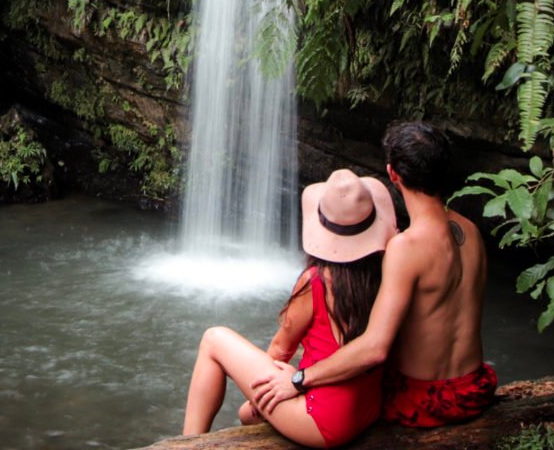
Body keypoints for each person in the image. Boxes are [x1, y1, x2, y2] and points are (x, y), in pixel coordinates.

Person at [252, 120, 497, 428]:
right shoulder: (471, 232)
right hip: (473, 389)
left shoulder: (405, 247)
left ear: (393, 174)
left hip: (422, 401)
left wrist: (300, 378)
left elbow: (375, 347)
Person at [182, 168, 397, 447]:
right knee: (247, 415)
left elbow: (281, 348)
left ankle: (184, 444)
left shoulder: (317, 282)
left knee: (214, 340)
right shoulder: (389, 274)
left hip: (324, 420)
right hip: (366, 408)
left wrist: (263, 393)